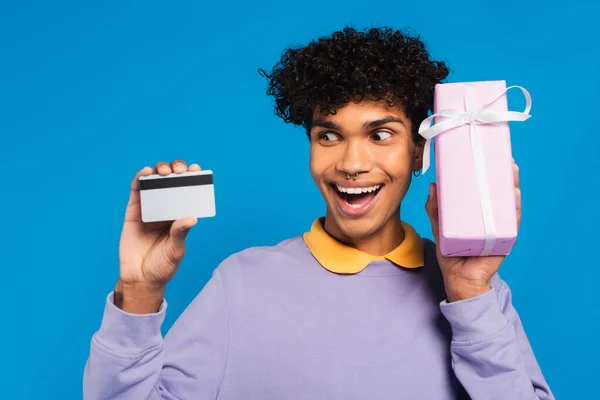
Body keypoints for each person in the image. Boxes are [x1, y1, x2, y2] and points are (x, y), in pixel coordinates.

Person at [83, 26, 554, 399]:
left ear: (419, 152)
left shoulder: (478, 295)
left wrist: (470, 294)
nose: (350, 163)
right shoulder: (243, 284)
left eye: (380, 134)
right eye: (328, 136)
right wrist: (138, 292)